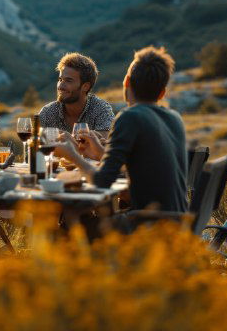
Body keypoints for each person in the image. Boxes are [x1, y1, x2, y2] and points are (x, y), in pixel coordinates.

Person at [54, 46, 187, 213]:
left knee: (82, 221)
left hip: (148, 222)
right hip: (179, 223)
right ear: (162, 93)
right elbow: (145, 168)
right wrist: (100, 152)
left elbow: (102, 181)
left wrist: (72, 155)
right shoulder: (175, 118)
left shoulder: (130, 117)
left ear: (126, 82)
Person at [38, 52, 115, 137]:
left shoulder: (101, 110)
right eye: (60, 80)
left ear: (85, 86)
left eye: (68, 81)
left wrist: (69, 139)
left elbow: (107, 141)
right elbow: (35, 143)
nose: (60, 86)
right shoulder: (47, 113)